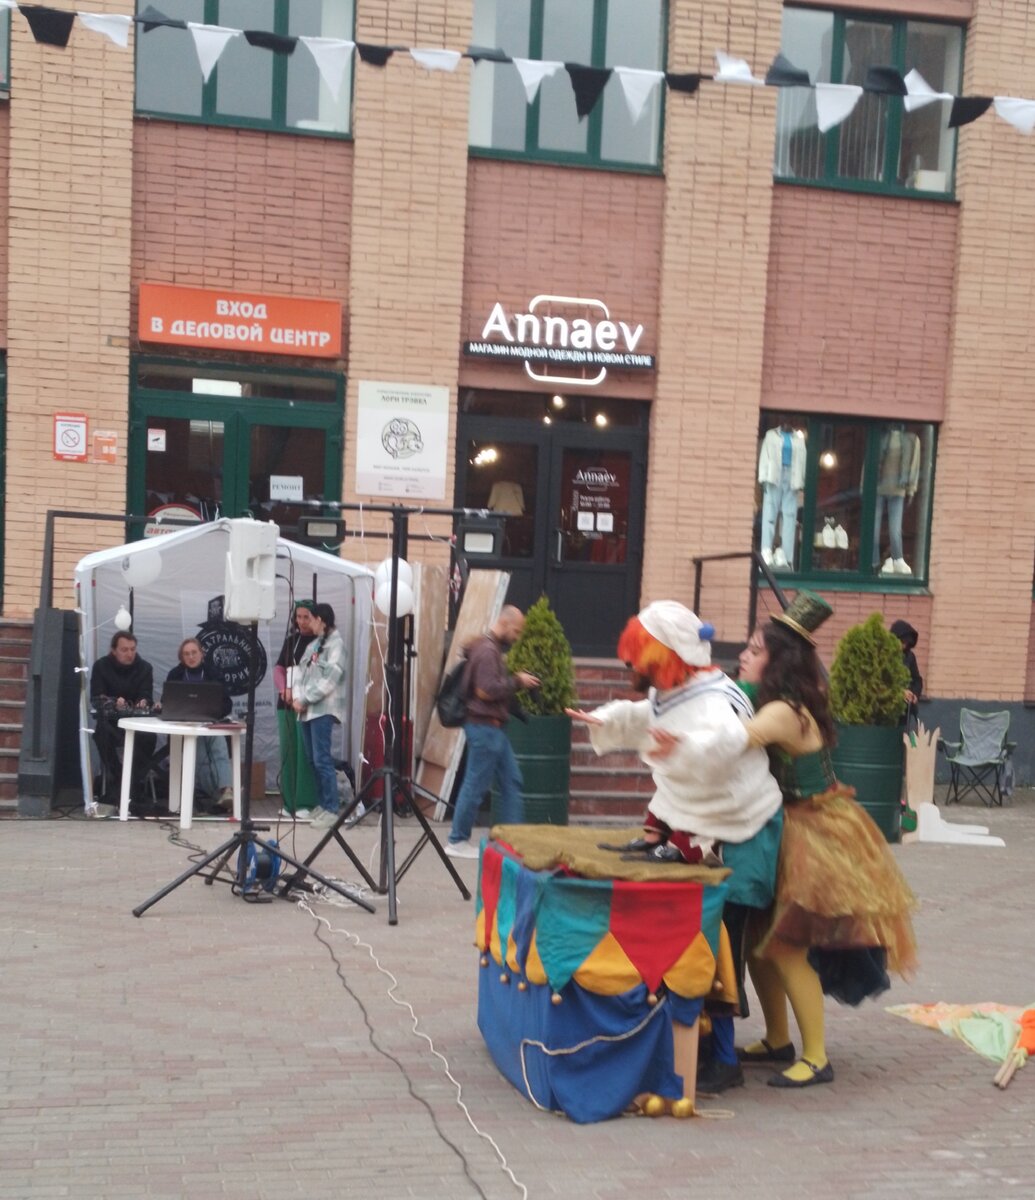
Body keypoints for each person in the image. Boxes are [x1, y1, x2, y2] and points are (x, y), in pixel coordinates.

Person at [566, 600, 784, 1094]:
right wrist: (606, 719)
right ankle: (703, 1044)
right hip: (705, 833)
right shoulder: (677, 692)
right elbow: (643, 715)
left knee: (716, 947)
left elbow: (724, 744)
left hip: (739, 836)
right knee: (701, 944)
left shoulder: (717, 699)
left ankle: (722, 1058)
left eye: (645, 656)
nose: (636, 667)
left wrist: (682, 749)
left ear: (668, 655)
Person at [734, 592, 918, 1088]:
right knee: (757, 942)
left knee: (788, 945)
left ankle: (816, 1058)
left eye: (753, 650)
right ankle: (778, 1040)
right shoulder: (773, 701)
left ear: (776, 660)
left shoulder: (781, 713)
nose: (742, 657)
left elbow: (727, 739)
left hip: (814, 832)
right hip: (788, 824)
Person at [445, 605, 539, 859]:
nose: (517, 637)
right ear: (505, 624)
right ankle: (457, 840)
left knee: (511, 781)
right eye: (517, 631)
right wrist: (517, 681)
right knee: (477, 785)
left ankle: (512, 841)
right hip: (485, 728)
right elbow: (485, 691)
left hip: (490, 728)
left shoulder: (486, 648)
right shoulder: (488, 651)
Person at [292, 602, 350, 831]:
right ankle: (323, 804)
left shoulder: (338, 646)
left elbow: (329, 681)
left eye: (311, 618)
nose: (307, 623)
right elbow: (299, 674)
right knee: (311, 759)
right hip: (306, 710)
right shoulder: (314, 645)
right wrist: (297, 697)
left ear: (321, 620)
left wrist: (304, 699)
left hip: (323, 709)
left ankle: (332, 809)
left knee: (322, 759)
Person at [90, 631, 157, 812]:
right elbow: (96, 697)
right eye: (124, 650)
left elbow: (146, 694)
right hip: (111, 723)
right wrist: (112, 701)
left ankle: (132, 784)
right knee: (102, 736)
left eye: (133, 649)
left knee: (149, 737)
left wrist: (143, 701)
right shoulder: (101, 666)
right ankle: (120, 781)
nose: (129, 654)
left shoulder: (145, 668)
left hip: (138, 723)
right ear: (114, 650)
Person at [165, 638, 233, 813]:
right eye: (186, 654)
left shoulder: (214, 673)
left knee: (218, 745)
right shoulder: (175, 674)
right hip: (184, 726)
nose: (191, 657)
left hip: (209, 723)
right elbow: (168, 702)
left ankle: (226, 790)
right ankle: (211, 794)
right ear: (181, 657)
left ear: (202, 654)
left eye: (194, 652)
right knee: (199, 750)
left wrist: (214, 713)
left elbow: (227, 703)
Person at [273, 600, 319, 818]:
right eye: (298, 617)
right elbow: (279, 668)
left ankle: (306, 803)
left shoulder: (323, 643)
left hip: (308, 704)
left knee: (305, 752)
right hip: (286, 703)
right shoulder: (291, 640)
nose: (301, 621)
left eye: (306, 617)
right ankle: (289, 802)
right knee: (288, 752)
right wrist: (284, 691)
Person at [889, 619, 923, 712]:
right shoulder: (884, 655)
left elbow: (917, 680)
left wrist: (915, 694)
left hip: (904, 710)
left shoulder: (909, 656)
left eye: (906, 644)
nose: (904, 646)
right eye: (902, 642)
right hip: (886, 710)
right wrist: (900, 693)